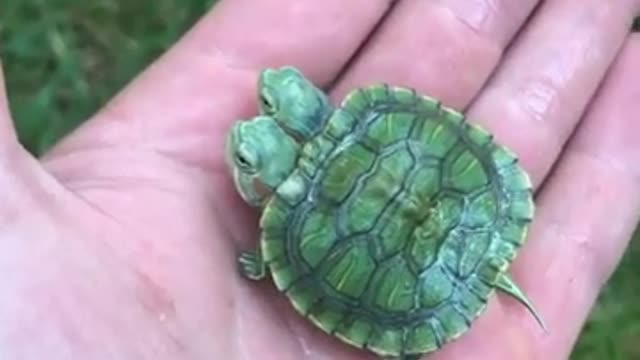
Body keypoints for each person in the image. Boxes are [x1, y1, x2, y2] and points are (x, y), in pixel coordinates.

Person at [0, 1, 638, 359]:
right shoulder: (371, 113)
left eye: (276, 102)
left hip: (436, 233)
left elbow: (284, 265)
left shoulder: (293, 238)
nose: (259, 109)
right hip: (467, 206)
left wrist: (262, 264)